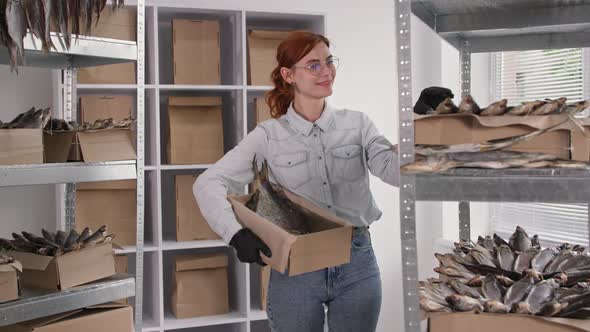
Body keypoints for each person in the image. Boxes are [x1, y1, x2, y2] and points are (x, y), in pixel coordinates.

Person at [193, 31, 399, 332]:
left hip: (358, 262)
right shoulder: (268, 135)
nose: (326, 71)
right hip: (297, 266)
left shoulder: (358, 124)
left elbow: (395, 172)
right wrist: (235, 234)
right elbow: (209, 182)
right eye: (313, 65)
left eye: (329, 61)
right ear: (289, 75)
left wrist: (419, 124)